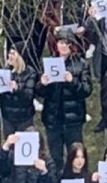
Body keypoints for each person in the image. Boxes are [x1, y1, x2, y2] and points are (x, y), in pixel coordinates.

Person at [36, 32, 92, 169]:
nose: (64, 46)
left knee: (75, 153)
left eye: (67, 43)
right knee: (55, 155)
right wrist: (43, 83)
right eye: (61, 43)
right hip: (53, 117)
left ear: (73, 46)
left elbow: (86, 90)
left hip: (73, 118)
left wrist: (72, 81)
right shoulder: (48, 62)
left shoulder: (81, 64)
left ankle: (76, 181)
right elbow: (39, 92)